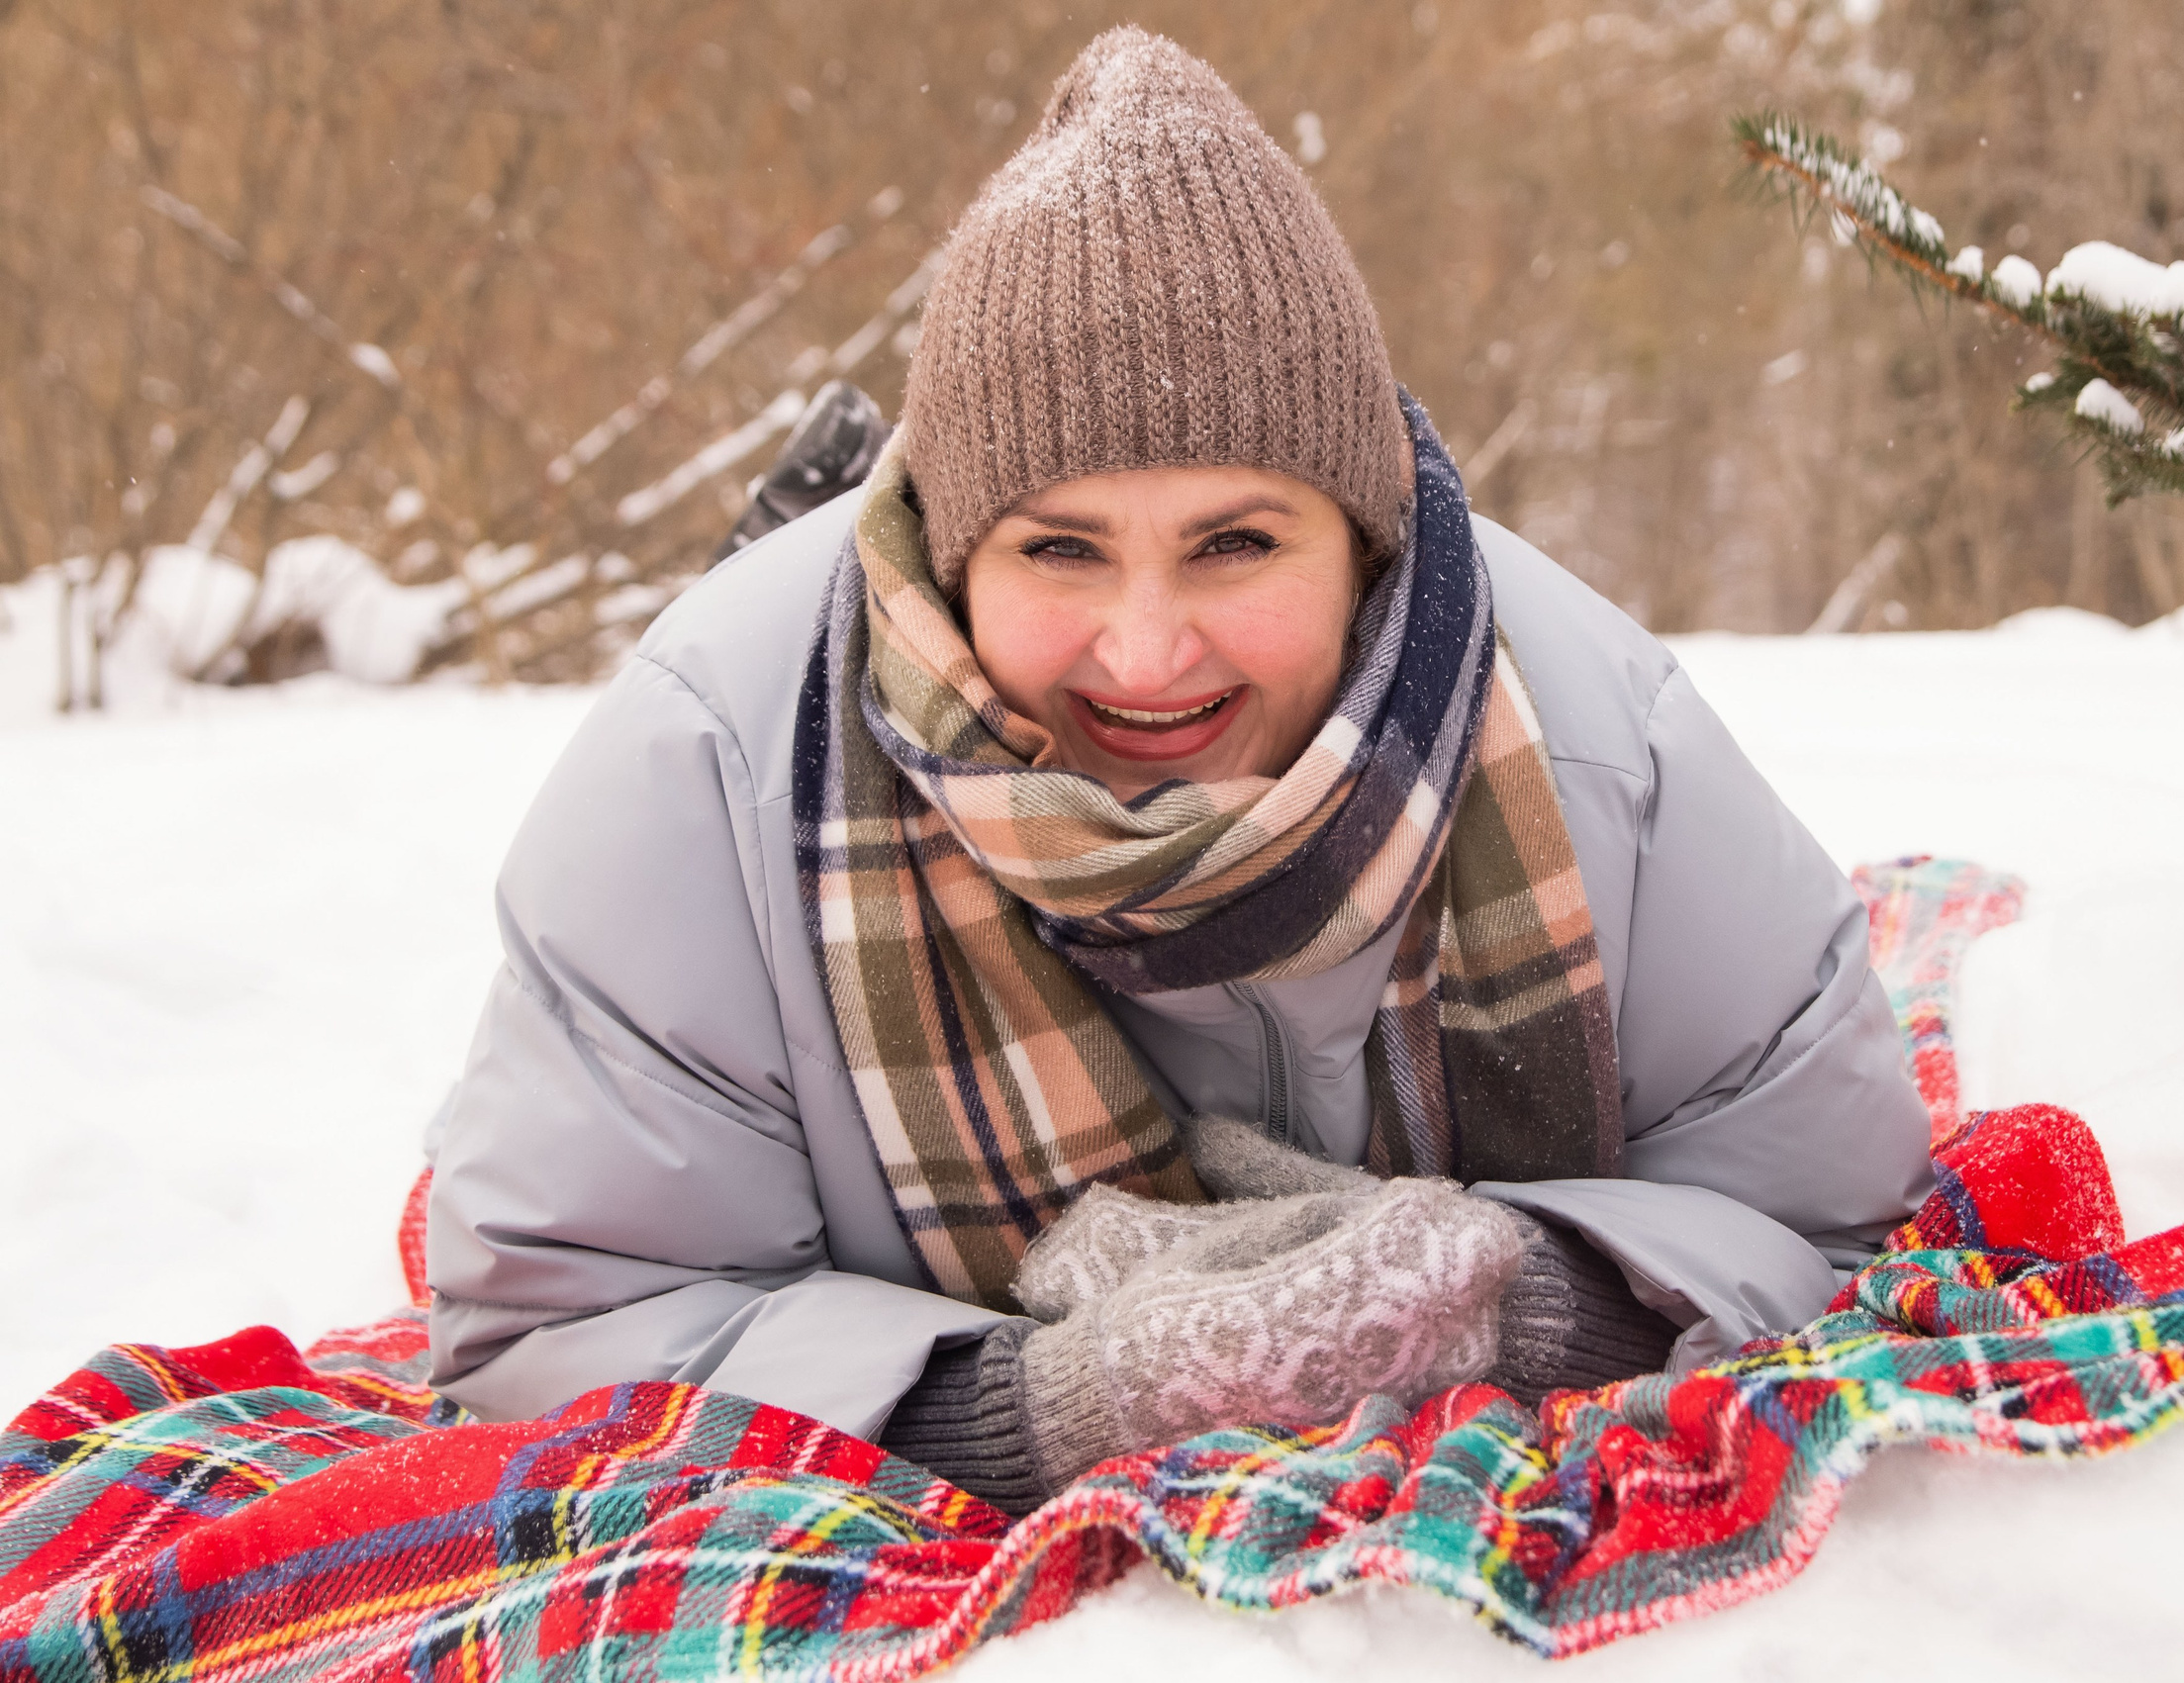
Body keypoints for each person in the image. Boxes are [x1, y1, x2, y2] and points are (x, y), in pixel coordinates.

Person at [425, 28, 1932, 1512]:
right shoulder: (705, 770)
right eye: (1057, 547)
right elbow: (558, 1322)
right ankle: (814, 526)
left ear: (1366, 538)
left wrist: (1522, 1303)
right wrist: (1017, 1404)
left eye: (1237, 542)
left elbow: (1827, 1220)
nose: (1146, 656)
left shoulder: (1604, 742)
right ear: (952, 570)